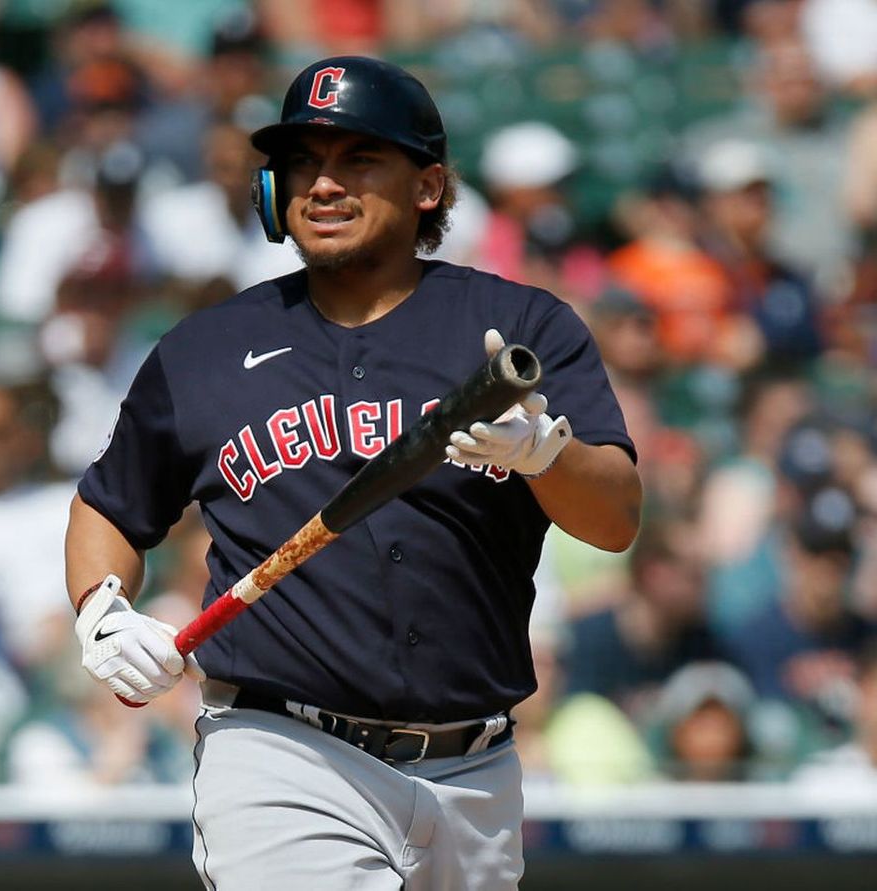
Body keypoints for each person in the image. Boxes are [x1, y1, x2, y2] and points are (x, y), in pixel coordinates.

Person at [64, 57, 641, 890]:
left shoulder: (519, 324)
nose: (323, 184)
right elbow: (107, 507)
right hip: (283, 754)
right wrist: (103, 614)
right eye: (304, 161)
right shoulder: (208, 351)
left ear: (428, 186)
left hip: (474, 770)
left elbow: (616, 518)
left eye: (359, 158)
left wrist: (547, 458)